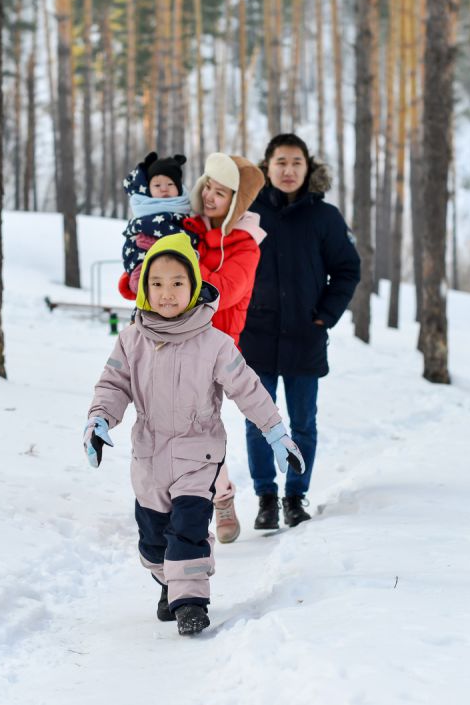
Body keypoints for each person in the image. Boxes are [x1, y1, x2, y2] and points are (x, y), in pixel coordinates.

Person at [83, 232, 304, 636]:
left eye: (177, 283)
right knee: (154, 539)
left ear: (194, 286)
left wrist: (275, 432)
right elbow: (113, 385)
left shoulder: (214, 343)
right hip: (149, 456)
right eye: (157, 283)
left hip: (198, 453)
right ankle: (170, 583)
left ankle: (190, 603)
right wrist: (99, 420)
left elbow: (248, 388)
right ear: (145, 288)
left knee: (188, 527)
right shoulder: (131, 339)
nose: (166, 293)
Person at [240, 133, 361, 531]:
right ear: (267, 167)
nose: (288, 170)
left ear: (308, 168)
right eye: (281, 162)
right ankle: (266, 498)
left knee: (303, 422)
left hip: (305, 336)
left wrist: (325, 315)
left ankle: (295, 496)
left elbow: (347, 269)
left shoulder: (325, 217)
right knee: (259, 421)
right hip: (255, 336)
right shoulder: (248, 212)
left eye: (296, 162)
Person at [181, 153, 266, 544]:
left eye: (221, 192)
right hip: (173, 338)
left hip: (215, 348)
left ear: (236, 202)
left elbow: (222, 292)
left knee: (201, 429)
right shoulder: (188, 228)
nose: (210, 196)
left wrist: (184, 262)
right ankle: (180, 504)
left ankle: (221, 497)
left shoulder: (246, 246)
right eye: (208, 187)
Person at [118, 153, 196, 297]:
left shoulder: (184, 212)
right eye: (157, 185)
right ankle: (141, 278)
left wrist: (156, 245)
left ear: (179, 187)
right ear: (149, 188)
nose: (164, 189)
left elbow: (190, 239)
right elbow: (133, 238)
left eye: (170, 184)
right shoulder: (144, 210)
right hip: (143, 260)